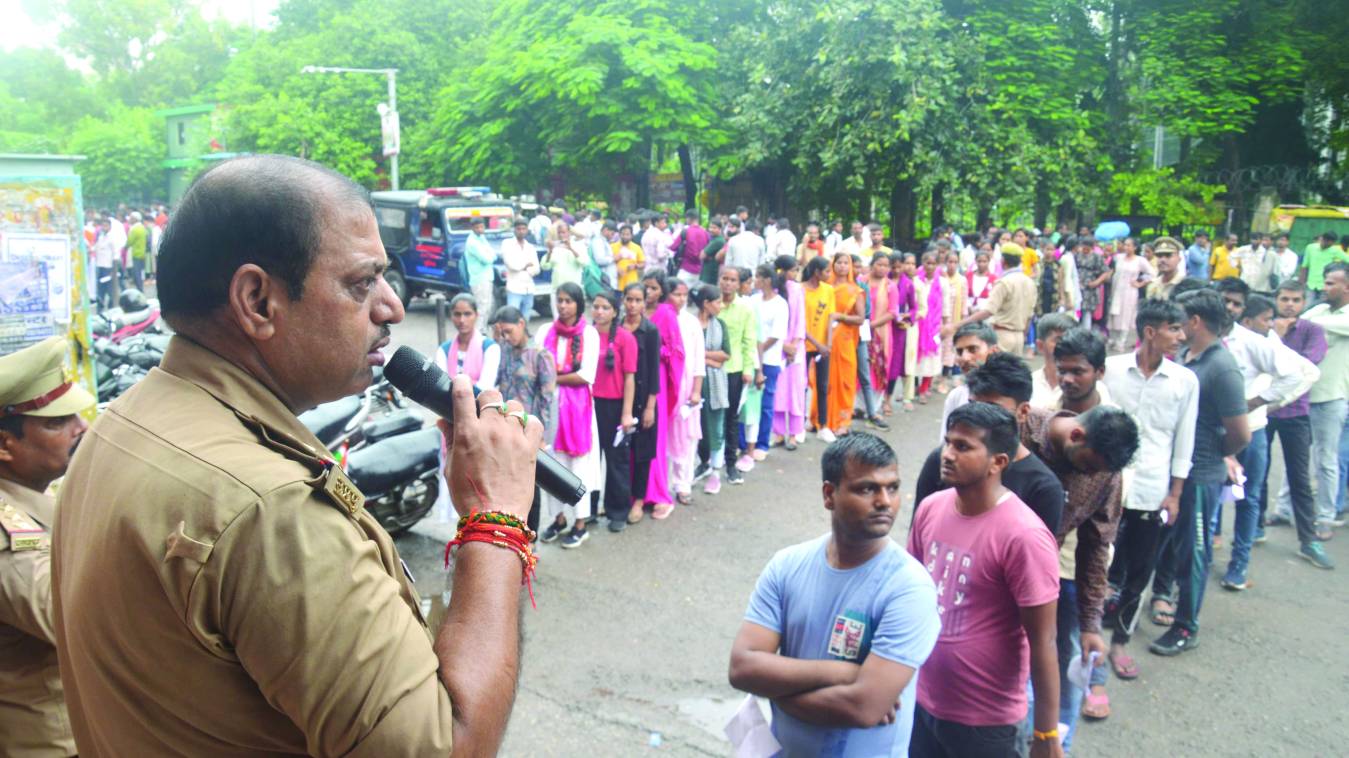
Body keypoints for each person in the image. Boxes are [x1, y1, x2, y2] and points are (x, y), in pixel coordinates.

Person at [52, 155, 543, 755]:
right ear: (257, 301)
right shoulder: (272, 510)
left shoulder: (120, 423)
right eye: (362, 284)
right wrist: (495, 517)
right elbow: (447, 747)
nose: (391, 307)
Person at [729, 434, 940, 756]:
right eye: (867, 488)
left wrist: (776, 691)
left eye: (892, 487)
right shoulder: (788, 565)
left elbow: (863, 708)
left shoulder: (909, 588)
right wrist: (844, 672)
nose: (885, 500)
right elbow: (743, 668)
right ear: (829, 494)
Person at [908, 403, 1063, 758]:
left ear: (998, 463)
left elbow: (1044, 639)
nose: (947, 454)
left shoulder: (1024, 535)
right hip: (922, 698)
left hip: (983, 720)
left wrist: (1046, 732)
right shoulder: (931, 508)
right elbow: (910, 596)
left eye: (963, 447)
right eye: (948, 442)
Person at [0, 338, 94, 757]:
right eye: (57, 423)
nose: (82, 428)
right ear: (6, 446)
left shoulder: (34, 498)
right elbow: (74, 618)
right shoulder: (8, 534)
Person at [1099, 298, 1197, 685]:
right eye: (1174, 329)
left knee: (1141, 569)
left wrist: (1175, 494)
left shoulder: (1185, 381)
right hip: (1108, 484)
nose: (1181, 336)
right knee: (1096, 562)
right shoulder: (1113, 370)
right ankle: (1087, 631)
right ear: (1150, 332)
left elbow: (1183, 442)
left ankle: (1120, 641)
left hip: (1153, 491)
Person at [1149, 289, 1251, 656]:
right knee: (1168, 543)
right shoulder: (1191, 357)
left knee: (1194, 550)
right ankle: (1161, 598)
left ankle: (1186, 626)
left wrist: (1216, 456)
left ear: (1195, 321)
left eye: (1180, 322)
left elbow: (1241, 432)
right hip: (1177, 470)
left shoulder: (1222, 366)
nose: (1175, 330)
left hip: (1201, 472)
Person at [915, 353, 1066, 535]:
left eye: (992, 408)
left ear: (1023, 411)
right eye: (972, 405)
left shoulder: (1042, 488)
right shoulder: (942, 460)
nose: (978, 417)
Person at [1264, 281, 1329, 553]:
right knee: (1255, 472)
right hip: (1264, 409)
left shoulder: (1312, 331)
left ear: (1304, 304)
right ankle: (1253, 526)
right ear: (1276, 300)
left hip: (1296, 411)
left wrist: (1277, 340)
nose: (1289, 304)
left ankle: (1308, 538)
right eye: (1285, 299)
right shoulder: (1263, 328)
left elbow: (1303, 367)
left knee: (1299, 478)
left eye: (1296, 300)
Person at [489, 305, 558, 536]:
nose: (506, 337)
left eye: (509, 331)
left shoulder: (540, 355)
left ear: (521, 323)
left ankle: (531, 536)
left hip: (530, 429)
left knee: (530, 486)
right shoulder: (504, 350)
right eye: (502, 333)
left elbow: (548, 400)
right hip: (506, 426)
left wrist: (543, 437)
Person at [1301, 261, 1348, 545]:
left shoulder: (1338, 317)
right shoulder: (1319, 310)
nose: (1324, 287)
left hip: (1333, 397)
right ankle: (1286, 509)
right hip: (1307, 395)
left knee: (1327, 460)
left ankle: (1325, 517)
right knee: (1299, 458)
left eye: (1331, 283)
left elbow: (1303, 323)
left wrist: (1300, 323)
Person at [587, 290, 639, 532]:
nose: (599, 311)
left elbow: (630, 378)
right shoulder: (586, 335)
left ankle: (617, 510)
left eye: (605, 307)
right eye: (596, 306)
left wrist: (627, 413)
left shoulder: (625, 339)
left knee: (617, 461)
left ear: (615, 312)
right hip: (589, 404)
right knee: (590, 460)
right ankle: (588, 509)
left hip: (615, 406)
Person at [632, 275, 682, 519]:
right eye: (647, 287)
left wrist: (652, 348)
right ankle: (636, 493)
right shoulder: (634, 311)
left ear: (662, 291)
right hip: (632, 378)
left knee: (654, 437)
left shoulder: (666, 314)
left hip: (656, 378)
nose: (649, 291)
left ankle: (660, 494)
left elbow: (676, 350)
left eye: (654, 288)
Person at [944, 246, 1037, 356]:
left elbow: (988, 311)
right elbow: (1029, 316)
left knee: (994, 371)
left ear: (1003, 261)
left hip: (1002, 335)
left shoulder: (1004, 282)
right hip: (1019, 337)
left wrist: (956, 325)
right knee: (1011, 372)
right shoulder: (1030, 283)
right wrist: (1023, 335)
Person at [620, 282, 664, 515]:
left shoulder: (650, 330)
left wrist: (650, 407)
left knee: (642, 452)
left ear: (644, 302)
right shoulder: (617, 328)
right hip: (619, 398)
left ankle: (638, 500)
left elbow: (654, 371)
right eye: (629, 299)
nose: (633, 305)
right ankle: (621, 496)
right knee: (620, 453)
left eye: (638, 300)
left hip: (643, 398)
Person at [716, 267, 759, 485]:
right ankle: (710, 464)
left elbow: (749, 341)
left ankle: (731, 465)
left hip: (734, 369)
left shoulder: (745, 309)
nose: (728, 284)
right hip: (711, 369)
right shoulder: (711, 305)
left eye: (732, 280)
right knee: (712, 419)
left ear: (738, 283)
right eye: (725, 279)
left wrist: (749, 370)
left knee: (731, 418)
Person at [666, 279, 705, 506]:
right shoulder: (662, 318)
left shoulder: (691, 322)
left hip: (687, 386)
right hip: (667, 388)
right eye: (676, 294)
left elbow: (698, 359)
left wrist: (697, 390)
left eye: (684, 295)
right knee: (665, 438)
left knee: (686, 438)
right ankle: (664, 485)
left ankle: (683, 484)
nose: (681, 299)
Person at [692, 284, 729, 495]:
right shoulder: (690, 324)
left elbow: (725, 355)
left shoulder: (719, 325)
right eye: (717, 302)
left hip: (715, 385)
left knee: (716, 428)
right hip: (695, 384)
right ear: (706, 304)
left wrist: (701, 356)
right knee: (697, 429)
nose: (720, 306)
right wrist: (709, 357)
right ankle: (702, 464)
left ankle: (716, 472)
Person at [826, 253, 866, 436]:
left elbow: (860, 318)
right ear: (832, 265)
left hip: (845, 342)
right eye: (839, 263)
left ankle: (843, 420)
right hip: (825, 341)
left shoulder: (855, 290)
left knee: (845, 382)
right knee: (824, 380)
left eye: (845, 263)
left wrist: (841, 317)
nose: (842, 266)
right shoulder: (825, 288)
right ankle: (822, 419)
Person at [771, 256, 808, 449]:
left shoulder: (797, 289)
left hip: (796, 347)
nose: (795, 274)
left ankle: (794, 433)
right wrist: (783, 344)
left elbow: (801, 319)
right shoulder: (773, 290)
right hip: (776, 347)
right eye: (793, 270)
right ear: (782, 270)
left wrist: (793, 344)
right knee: (778, 390)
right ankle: (778, 433)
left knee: (795, 390)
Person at [938, 322, 999, 437]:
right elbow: (945, 444)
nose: (964, 358)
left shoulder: (1009, 395)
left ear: (993, 352)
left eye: (973, 349)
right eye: (960, 352)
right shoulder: (956, 396)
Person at [801, 257, 837, 442]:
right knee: (802, 385)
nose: (829, 275)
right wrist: (818, 344)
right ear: (816, 272)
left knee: (823, 386)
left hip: (823, 345)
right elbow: (800, 324)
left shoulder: (828, 290)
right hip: (805, 344)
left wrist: (828, 344)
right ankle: (798, 425)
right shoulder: (801, 290)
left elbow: (831, 317)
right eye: (826, 272)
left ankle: (823, 425)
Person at [866, 252, 900, 420]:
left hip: (881, 333)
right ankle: (859, 405)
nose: (883, 268)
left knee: (879, 367)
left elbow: (893, 312)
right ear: (872, 264)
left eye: (886, 265)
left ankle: (874, 406)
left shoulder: (890, 286)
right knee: (862, 366)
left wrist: (872, 325)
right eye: (879, 264)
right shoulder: (861, 282)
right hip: (861, 331)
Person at [1106, 237, 1154, 352]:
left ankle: (1121, 341)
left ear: (1135, 247)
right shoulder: (1118, 258)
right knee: (1114, 313)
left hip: (1130, 291)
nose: (1126, 247)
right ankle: (1112, 338)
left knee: (1126, 315)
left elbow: (1152, 273)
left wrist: (1140, 283)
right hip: (1117, 289)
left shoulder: (1140, 260)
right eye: (1125, 245)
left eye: (1129, 245)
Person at [910, 252, 945, 403]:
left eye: (933, 263)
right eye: (927, 263)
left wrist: (945, 325)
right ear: (922, 263)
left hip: (935, 325)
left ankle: (924, 389)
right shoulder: (916, 280)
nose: (929, 266)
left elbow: (946, 307)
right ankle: (913, 388)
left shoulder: (942, 283)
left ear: (937, 265)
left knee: (931, 359)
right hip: (917, 323)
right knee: (915, 357)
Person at [1028, 313, 1077, 408]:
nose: (1065, 345)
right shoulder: (1029, 383)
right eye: (1058, 340)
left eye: (1069, 339)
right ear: (1040, 346)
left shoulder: (1088, 387)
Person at [543, 221, 590, 318]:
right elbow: (545, 266)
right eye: (559, 232)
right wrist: (550, 251)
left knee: (575, 318)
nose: (561, 235)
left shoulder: (578, 245)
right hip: (557, 289)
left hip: (574, 289)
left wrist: (571, 249)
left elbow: (585, 262)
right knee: (558, 319)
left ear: (569, 232)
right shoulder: (555, 247)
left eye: (564, 232)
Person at [938, 251, 967, 394]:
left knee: (951, 350)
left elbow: (964, 302)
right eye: (950, 262)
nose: (952, 265)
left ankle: (949, 378)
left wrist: (962, 322)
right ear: (945, 262)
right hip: (940, 321)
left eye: (955, 262)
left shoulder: (962, 280)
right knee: (940, 350)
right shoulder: (940, 279)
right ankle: (938, 380)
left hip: (955, 322)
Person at [501, 217, 541, 316]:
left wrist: (526, 269)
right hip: (514, 288)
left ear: (527, 230)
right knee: (512, 318)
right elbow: (511, 264)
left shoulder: (530, 247)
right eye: (519, 229)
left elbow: (537, 269)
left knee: (525, 319)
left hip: (529, 288)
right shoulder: (507, 244)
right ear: (514, 230)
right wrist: (526, 265)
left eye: (523, 229)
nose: (521, 231)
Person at [463, 217, 497, 321]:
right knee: (481, 307)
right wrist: (490, 256)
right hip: (479, 278)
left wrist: (490, 256)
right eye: (477, 227)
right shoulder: (472, 242)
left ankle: (483, 331)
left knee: (487, 306)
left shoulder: (482, 238)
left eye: (481, 226)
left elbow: (494, 255)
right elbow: (487, 259)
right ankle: (478, 332)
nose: (480, 229)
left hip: (487, 277)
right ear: (472, 228)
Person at [670, 209, 711, 287]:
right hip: (700, 270)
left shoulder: (685, 231)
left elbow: (673, 247)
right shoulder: (705, 233)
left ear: (688, 218)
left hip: (685, 268)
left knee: (679, 292)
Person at [699, 218, 726, 286]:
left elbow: (702, 256)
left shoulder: (718, 241)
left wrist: (705, 254)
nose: (711, 230)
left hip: (710, 275)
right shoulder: (714, 239)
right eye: (710, 227)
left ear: (720, 229)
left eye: (714, 228)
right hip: (708, 273)